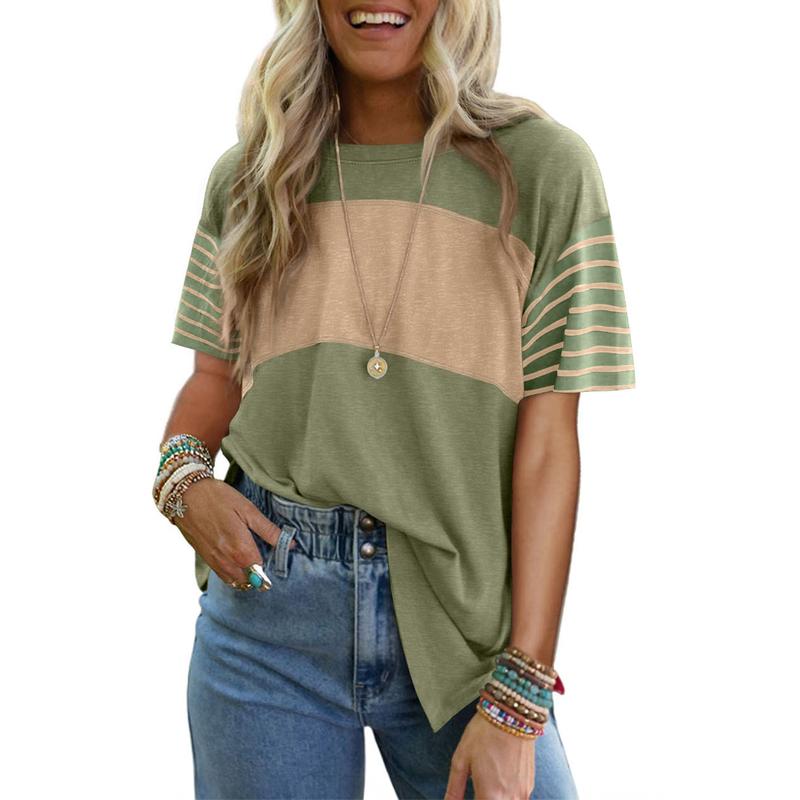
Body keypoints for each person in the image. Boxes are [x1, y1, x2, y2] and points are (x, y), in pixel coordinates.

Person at [154, 1, 635, 797]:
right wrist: (182, 482)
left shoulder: (544, 170)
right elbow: (214, 379)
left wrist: (522, 689)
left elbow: (550, 441)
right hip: (269, 613)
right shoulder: (251, 176)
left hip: (464, 629)